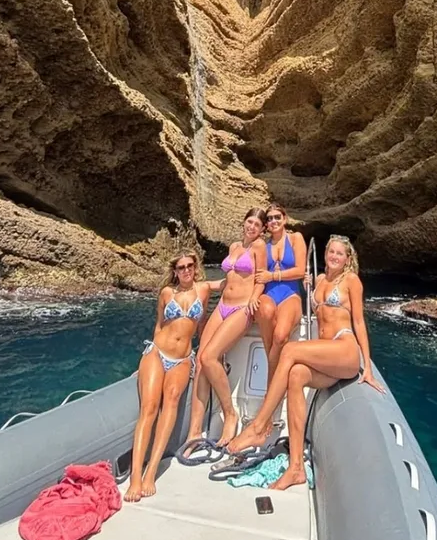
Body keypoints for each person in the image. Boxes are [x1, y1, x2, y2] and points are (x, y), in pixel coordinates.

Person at [227, 234, 384, 489]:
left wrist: (367, 368)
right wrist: (309, 288)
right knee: (296, 375)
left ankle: (259, 426)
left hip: (344, 349)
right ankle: (296, 468)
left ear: (347, 259)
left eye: (339, 254)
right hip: (327, 356)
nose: (334, 256)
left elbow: (358, 322)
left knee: (289, 351)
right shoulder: (320, 280)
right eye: (331, 252)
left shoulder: (351, 281)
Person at [124, 251, 220, 501]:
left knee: (173, 401)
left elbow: (203, 324)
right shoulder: (167, 293)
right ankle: (135, 477)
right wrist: (146, 359)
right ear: (175, 271)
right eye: (181, 267)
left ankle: (151, 472)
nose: (186, 270)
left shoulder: (203, 290)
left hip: (183, 357)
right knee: (149, 408)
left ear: (195, 267)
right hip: (157, 352)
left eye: (190, 266)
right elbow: (159, 324)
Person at [186, 208, 268, 447]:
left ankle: (229, 413)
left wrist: (256, 296)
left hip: (242, 308)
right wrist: (203, 285)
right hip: (223, 305)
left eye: (257, 224)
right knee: (201, 359)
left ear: (262, 229)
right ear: (243, 222)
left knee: (211, 356)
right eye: (249, 222)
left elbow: (261, 277)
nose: (252, 227)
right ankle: (194, 431)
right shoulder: (234, 247)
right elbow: (228, 281)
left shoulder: (259, 247)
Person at [255, 203, 307, 384]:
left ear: (285, 219)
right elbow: (258, 274)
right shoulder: (262, 245)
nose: (273, 221)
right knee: (265, 312)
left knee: (280, 336)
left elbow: (300, 270)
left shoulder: (295, 238)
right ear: (266, 225)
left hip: (290, 294)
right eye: (269, 219)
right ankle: (274, 379)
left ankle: (271, 380)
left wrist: (273, 275)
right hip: (268, 293)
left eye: (277, 217)